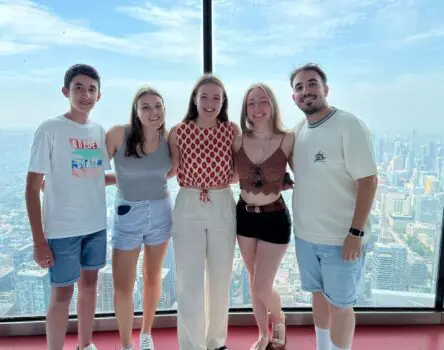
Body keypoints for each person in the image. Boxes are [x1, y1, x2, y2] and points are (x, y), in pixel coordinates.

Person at [290, 63, 378, 350]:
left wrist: (356, 233)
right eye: (299, 87)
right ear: (294, 98)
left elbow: (368, 180)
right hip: (305, 237)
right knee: (317, 295)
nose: (306, 91)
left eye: (312, 84)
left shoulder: (348, 124)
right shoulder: (298, 131)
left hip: (341, 239)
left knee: (341, 305)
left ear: (325, 89)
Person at [25, 64, 109, 350]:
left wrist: (138, 179)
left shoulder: (98, 131)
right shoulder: (50, 129)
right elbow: (32, 187)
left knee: (89, 287)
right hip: (62, 229)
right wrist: (39, 241)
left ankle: (85, 345)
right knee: (61, 295)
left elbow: (94, 174)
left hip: (96, 224)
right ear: (66, 91)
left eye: (91, 89)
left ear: (99, 96)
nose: (86, 94)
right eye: (79, 88)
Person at [168, 74, 241, 350]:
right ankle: (191, 344)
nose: (210, 103)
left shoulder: (232, 130)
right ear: (194, 100)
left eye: (216, 98)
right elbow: (172, 170)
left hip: (221, 200)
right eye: (204, 97)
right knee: (188, 277)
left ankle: (216, 342)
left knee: (220, 275)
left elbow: (237, 172)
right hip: (188, 201)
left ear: (223, 102)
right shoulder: (178, 131)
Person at [105, 87, 173, 350]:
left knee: (152, 276)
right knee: (123, 284)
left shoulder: (170, 139)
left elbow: (169, 173)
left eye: (157, 106)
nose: (153, 112)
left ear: (165, 109)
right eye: (145, 107)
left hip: (160, 210)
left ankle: (146, 334)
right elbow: (90, 169)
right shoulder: (117, 134)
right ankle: (126, 344)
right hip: (127, 213)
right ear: (135, 111)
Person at [234, 83, 295, 350]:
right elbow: (229, 174)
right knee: (253, 280)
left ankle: (280, 321)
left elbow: (305, 174)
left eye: (262, 102)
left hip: (274, 218)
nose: (257, 109)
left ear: (272, 105)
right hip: (245, 217)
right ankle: (262, 334)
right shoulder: (238, 139)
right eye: (251, 103)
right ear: (245, 109)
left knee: (262, 285)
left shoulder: (287, 138)